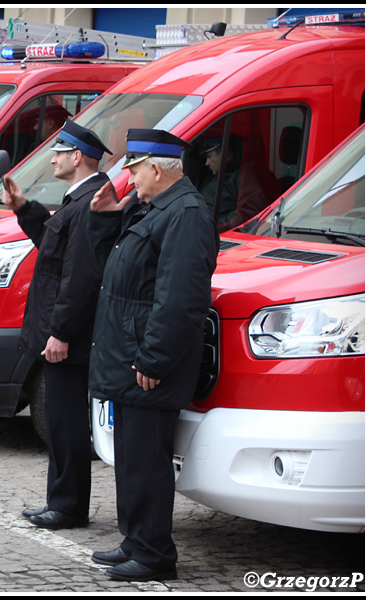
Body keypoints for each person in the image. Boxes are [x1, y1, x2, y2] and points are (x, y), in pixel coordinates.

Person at [87, 129, 218, 582]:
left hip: (147, 360)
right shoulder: (155, 208)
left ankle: (153, 552)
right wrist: (106, 219)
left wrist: (154, 358)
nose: (129, 177)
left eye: (134, 168)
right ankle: (135, 539)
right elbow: (121, 270)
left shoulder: (184, 214)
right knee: (133, 457)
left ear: (157, 168)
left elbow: (180, 299)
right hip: (131, 353)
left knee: (147, 459)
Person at [2, 120, 111, 530]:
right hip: (60, 329)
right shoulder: (78, 199)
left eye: (59, 151)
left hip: (69, 335)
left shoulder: (87, 203)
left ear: (77, 157)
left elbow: (79, 277)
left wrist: (61, 332)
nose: (52, 158)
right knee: (61, 420)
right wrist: (24, 209)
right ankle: (62, 501)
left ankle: (67, 506)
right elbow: (53, 246)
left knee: (65, 423)